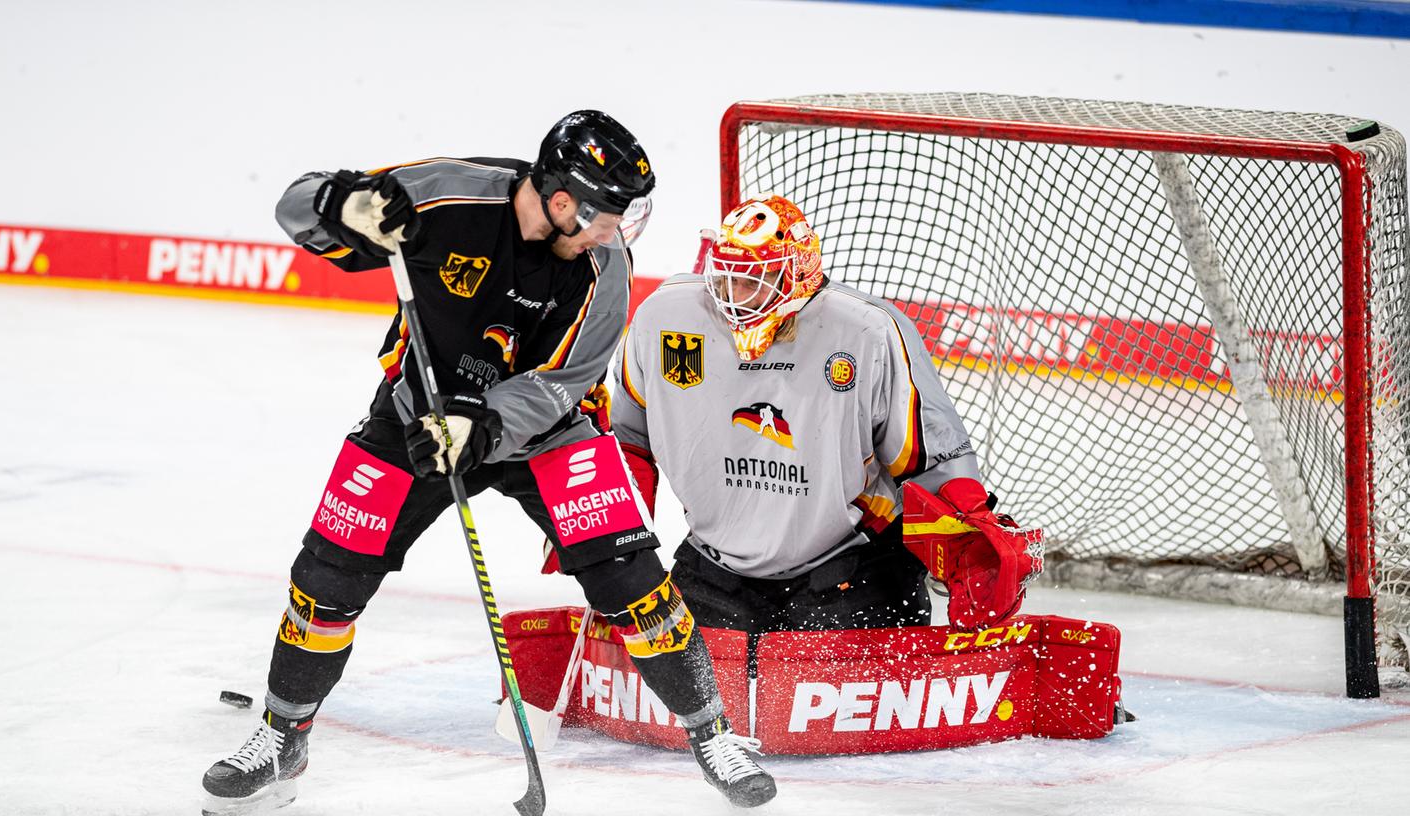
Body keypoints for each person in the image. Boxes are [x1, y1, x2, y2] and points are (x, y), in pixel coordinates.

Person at [200, 112, 775, 815]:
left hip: (546, 436)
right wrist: (342, 207)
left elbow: (565, 381)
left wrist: (484, 423)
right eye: (604, 217)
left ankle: (712, 734)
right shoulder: (449, 194)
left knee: (635, 583)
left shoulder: (605, 269)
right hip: (414, 418)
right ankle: (282, 734)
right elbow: (297, 204)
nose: (612, 234)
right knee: (325, 579)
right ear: (564, 201)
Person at [612, 195, 1041, 637]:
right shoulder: (665, 320)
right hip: (716, 566)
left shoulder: (864, 331)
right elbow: (626, 438)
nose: (734, 298)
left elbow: (930, 457)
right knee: (690, 698)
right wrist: (612, 536)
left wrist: (966, 535)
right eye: (726, 280)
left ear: (798, 273)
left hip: (853, 565)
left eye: (755, 280)